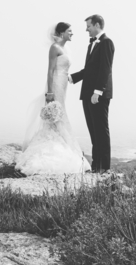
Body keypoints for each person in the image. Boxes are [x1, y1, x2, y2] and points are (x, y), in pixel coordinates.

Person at [15, 22, 89, 175]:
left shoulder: (65, 48)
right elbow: (50, 71)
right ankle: (52, 149)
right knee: (58, 117)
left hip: (63, 86)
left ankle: (59, 143)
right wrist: (49, 93)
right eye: (70, 31)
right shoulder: (55, 48)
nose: (72, 34)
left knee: (60, 116)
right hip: (55, 84)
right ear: (62, 33)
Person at [70, 14, 115, 172]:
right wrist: (71, 78)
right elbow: (89, 70)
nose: (86, 29)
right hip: (87, 94)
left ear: (97, 25)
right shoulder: (92, 45)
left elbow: (105, 69)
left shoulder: (107, 43)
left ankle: (104, 167)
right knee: (93, 131)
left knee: (101, 130)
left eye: (88, 26)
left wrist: (97, 92)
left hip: (98, 95)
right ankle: (96, 165)